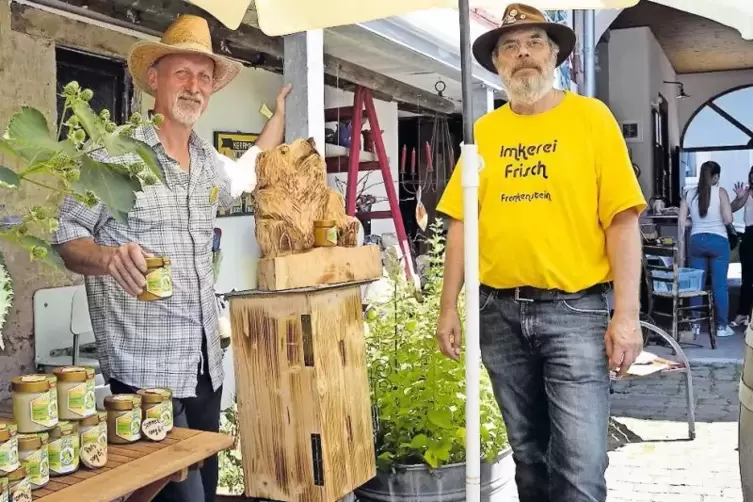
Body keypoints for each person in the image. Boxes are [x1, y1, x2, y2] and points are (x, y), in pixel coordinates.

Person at [51, 14, 292, 502]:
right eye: (182, 73)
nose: (194, 87)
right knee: (175, 496)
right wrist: (106, 258)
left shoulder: (206, 163)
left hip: (204, 362)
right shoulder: (113, 157)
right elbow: (65, 235)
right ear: (155, 79)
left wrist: (277, 120)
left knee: (201, 481)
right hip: (144, 368)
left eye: (204, 77)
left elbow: (246, 174)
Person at [434, 4, 646, 501]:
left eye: (533, 42)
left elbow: (622, 219)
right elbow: (463, 222)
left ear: (554, 56)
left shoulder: (591, 118)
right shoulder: (484, 132)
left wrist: (628, 315)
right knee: (528, 459)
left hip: (574, 311)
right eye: (510, 45)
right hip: (498, 313)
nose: (522, 53)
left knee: (580, 468)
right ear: (498, 63)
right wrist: (448, 307)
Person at [679, 161, 735, 337]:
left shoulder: (688, 194)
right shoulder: (721, 192)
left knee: (697, 284)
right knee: (719, 286)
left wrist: (695, 222)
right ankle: (721, 327)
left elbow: (682, 222)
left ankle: (695, 325)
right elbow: (727, 219)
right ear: (716, 176)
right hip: (718, 241)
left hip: (696, 241)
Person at [731, 166, 753, 327]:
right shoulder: (746, 192)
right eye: (752, 175)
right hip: (749, 234)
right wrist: (740, 197)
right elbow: (731, 209)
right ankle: (742, 313)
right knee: (747, 278)